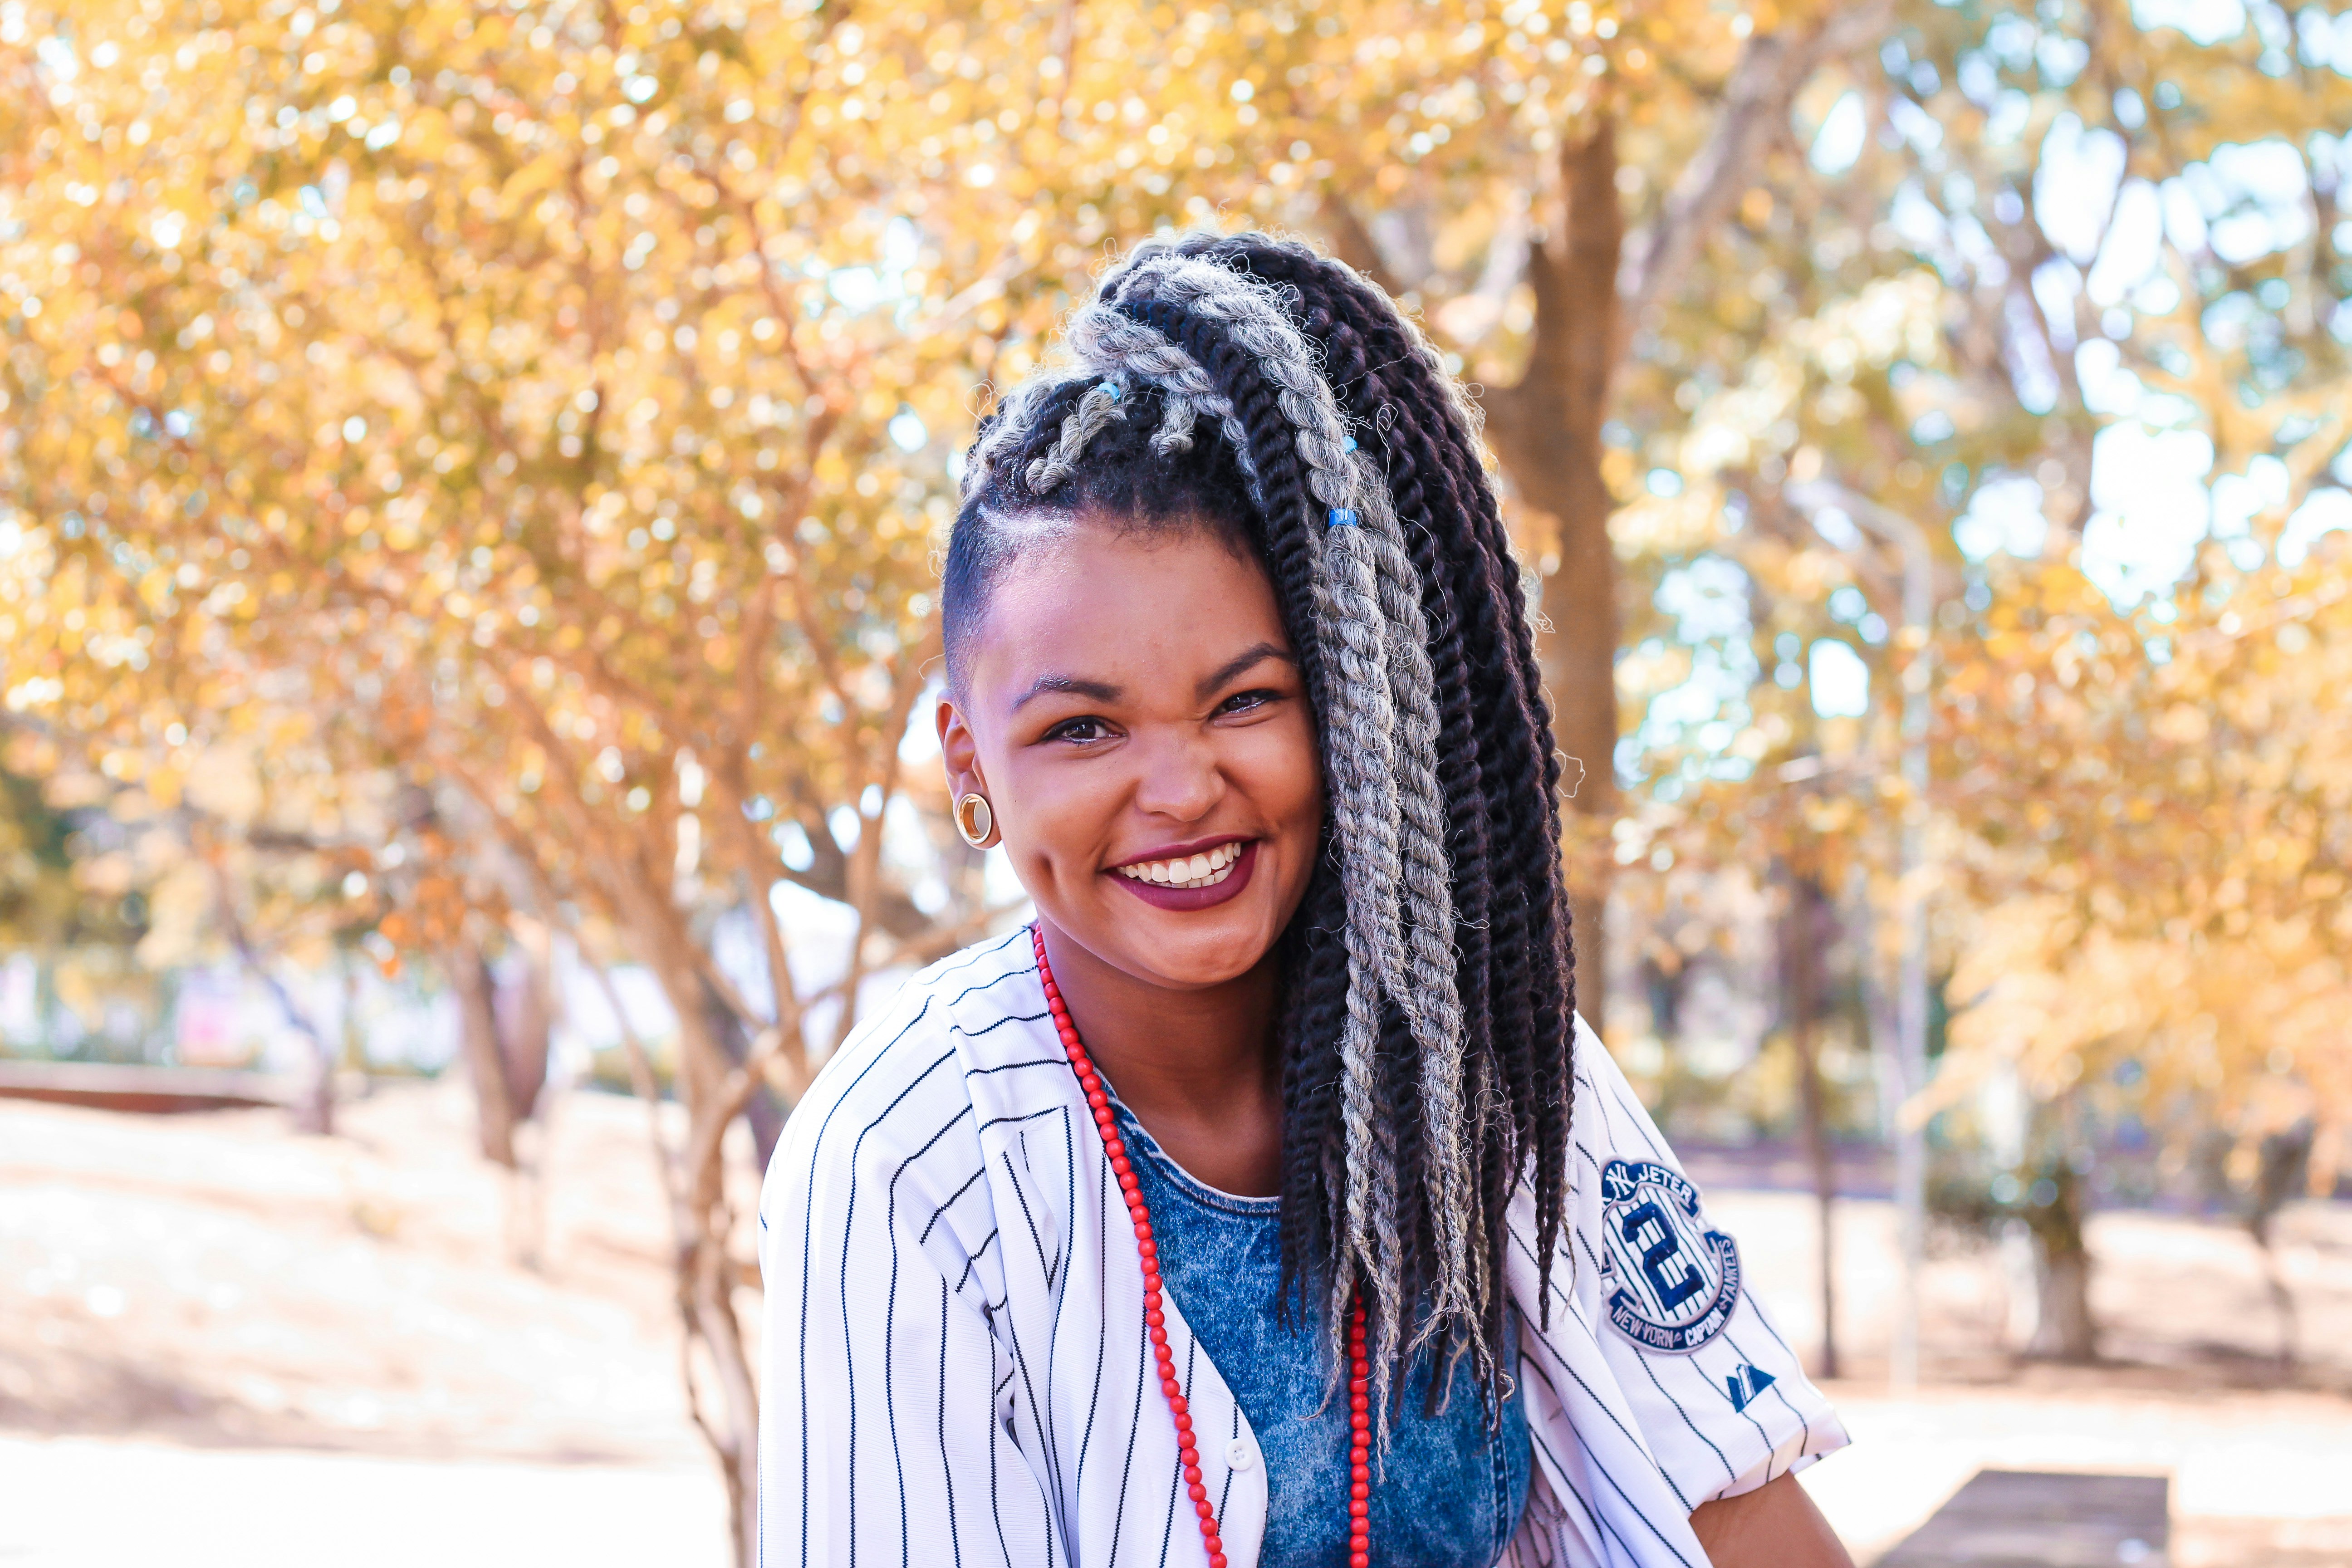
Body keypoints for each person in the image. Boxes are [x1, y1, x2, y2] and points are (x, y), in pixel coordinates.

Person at [757, 232, 1854, 1568]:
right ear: (967, 760)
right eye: (1082, 729)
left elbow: (1744, 1510)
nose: (1182, 790)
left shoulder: (1487, 1055)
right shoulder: (907, 1161)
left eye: (1246, 701)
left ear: (1350, 707)